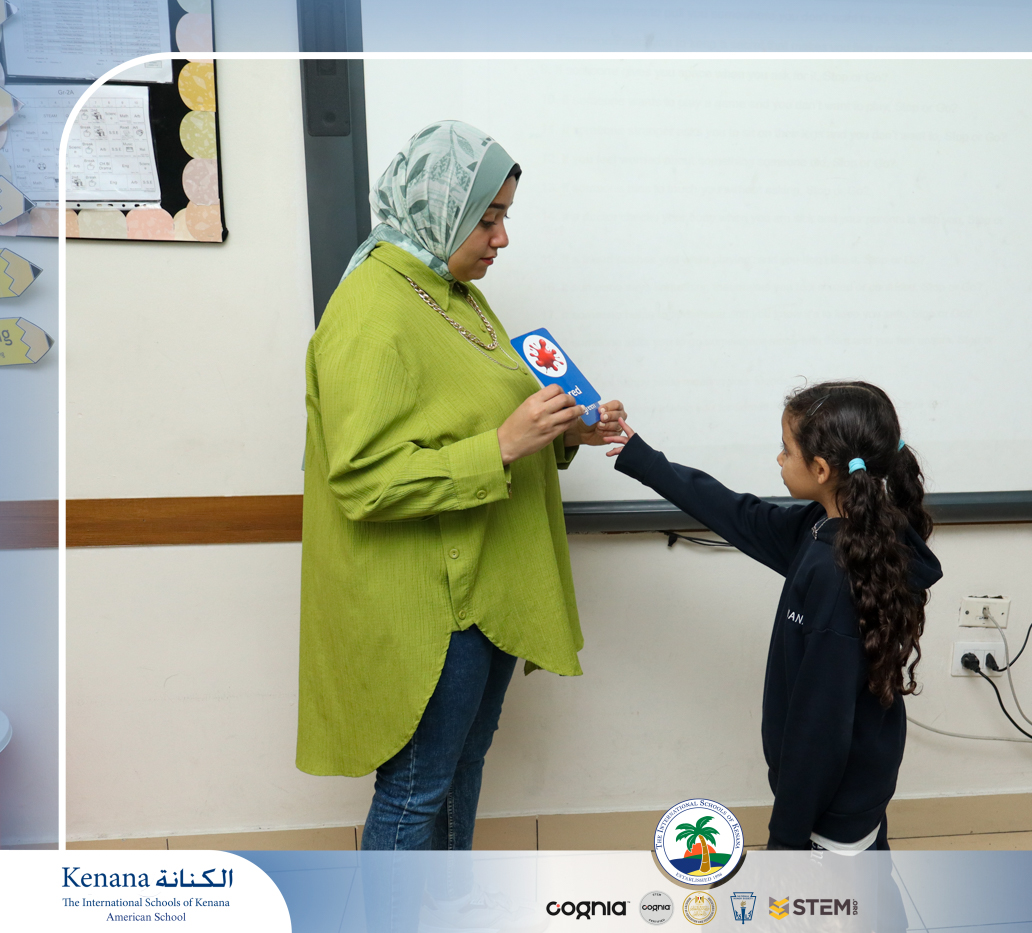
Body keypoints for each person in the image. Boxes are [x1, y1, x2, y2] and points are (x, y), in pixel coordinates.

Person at [297, 120, 626, 851]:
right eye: (489, 218)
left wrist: (565, 430)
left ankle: (446, 903)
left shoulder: (453, 290)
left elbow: (477, 416)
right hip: (430, 600)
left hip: (485, 589)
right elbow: (363, 479)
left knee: (458, 768)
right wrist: (503, 445)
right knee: (416, 789)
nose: (502, 238)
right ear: (439, 210)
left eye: (504, 216)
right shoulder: (372, 308)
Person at [611, 381, 941, 851]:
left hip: (829, 812)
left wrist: (786, 841)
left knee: (836, 894)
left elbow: (818, 732)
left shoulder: (835, 576)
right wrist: (643, 458)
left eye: (787, 450)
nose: (779, 458)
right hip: (854, 792)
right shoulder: (841, 530)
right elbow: (741, 515)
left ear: (821, 469)